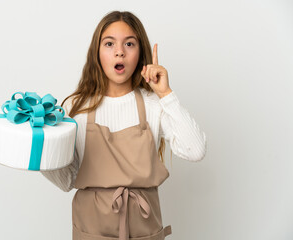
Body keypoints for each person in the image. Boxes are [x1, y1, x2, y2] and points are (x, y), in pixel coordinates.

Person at [41, 10, 207, 240]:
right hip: (90, 230)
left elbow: (195, 150)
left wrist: (166, 94)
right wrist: (40, 149)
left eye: (129, 44)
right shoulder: (75, 107)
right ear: (96, 53)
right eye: (109, 44)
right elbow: (67, 180)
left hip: (144, 229)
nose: (119, 51)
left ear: (140, 53)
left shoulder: (153, 104)